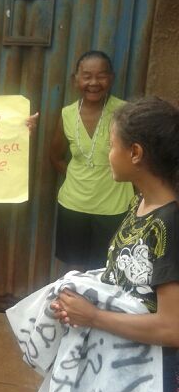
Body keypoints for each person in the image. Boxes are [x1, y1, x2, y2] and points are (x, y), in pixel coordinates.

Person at [52, 96, 179, 392]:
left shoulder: (169, 224)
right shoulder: (140, 203)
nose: (107, 155)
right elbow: (127, 279)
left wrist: (93, 317)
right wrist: (78, 299)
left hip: (147, 376)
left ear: (135, 153)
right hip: (121, 358)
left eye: (111, 146)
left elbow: (172, 328)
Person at [50, 50, 134, 271]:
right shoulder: (67, 114)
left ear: (111, 78)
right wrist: (80, 178)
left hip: (114, 207)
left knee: (107, 269)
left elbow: (139, 158)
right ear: (75, 79)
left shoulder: (125, 113)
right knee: (74, 269)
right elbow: (55, 156)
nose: (94, 83)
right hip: (73, 205)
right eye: (87, 76)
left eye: (101, 76)